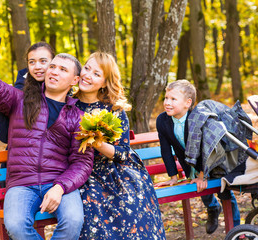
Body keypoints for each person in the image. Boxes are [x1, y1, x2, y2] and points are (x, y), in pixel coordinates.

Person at [0, 37, 94, 240]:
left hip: (58, 182)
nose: (54, 71)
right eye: (52, 67)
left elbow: (82, 162)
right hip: (21, 183)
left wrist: (60, 187)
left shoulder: (78, 117)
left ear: (74, 80)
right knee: (16, 226)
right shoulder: (19, 100)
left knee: (73, 221)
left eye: (63, 69)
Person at [74, 52, 166, 239]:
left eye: (97, 74)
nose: (88, 75)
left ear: (105, 82)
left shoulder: (113, 110)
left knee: (132, 208)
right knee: (92, 213)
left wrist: (97, 142)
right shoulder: (67, 104)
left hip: (116, 171)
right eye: (86, 68)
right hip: (83, 172)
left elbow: (123, 153)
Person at [155, 80, 240, 234]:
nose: (167, 102)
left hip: (213, 161)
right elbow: (166, 150)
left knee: (224, 192)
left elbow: (205, 149)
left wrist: (203, 175)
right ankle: (213, 208)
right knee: (203, 192)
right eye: (166, 98)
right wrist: (173, 177)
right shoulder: (162, 120)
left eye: (173, 99)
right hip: (189, 163)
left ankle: (237, 229)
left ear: (188, 103)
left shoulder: (197, 118)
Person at [0, 41, 55, 144]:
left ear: (53, 62)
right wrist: (0, 101)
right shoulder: (20, 93)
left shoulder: (65, 92)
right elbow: (5, 137)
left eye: (43, 61)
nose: (37, 66)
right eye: (32, 62)